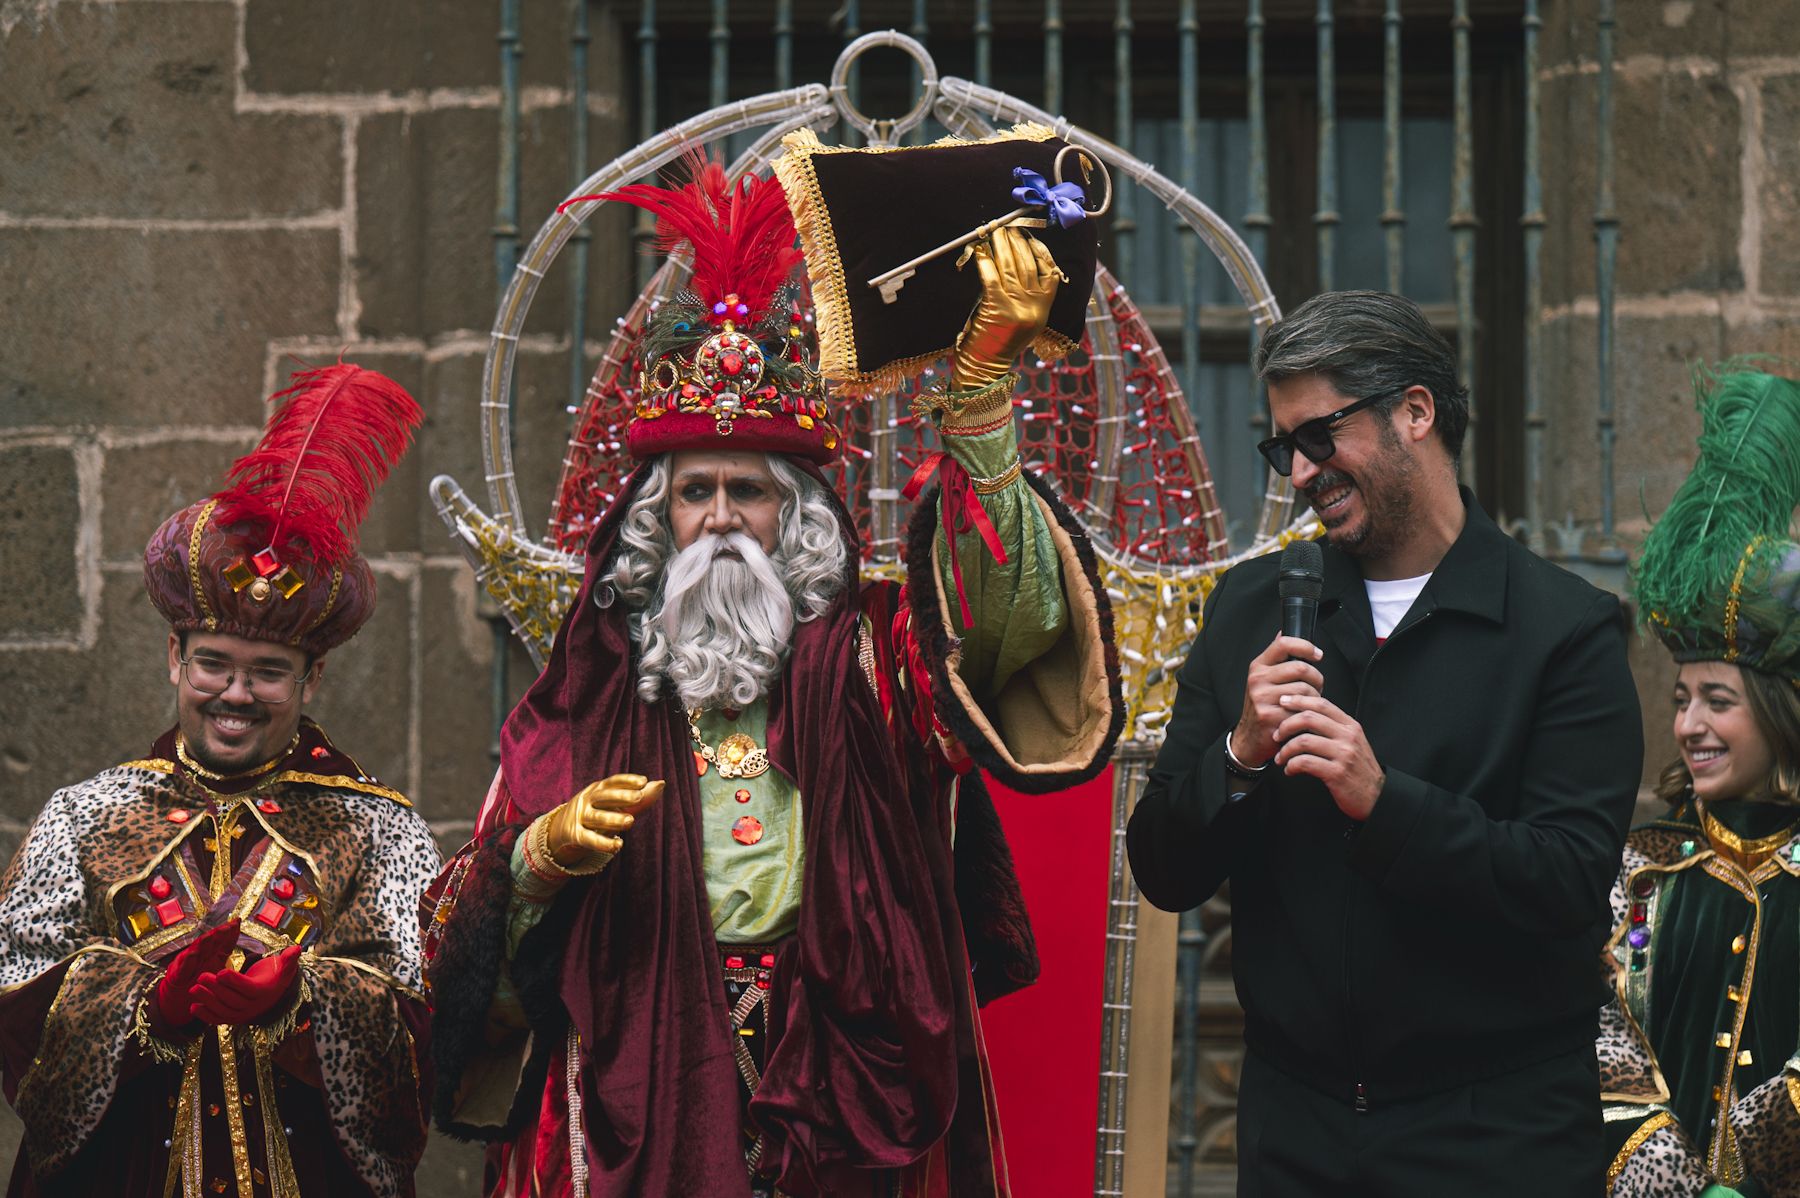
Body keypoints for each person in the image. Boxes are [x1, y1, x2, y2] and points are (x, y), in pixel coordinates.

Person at [420, 162, 1121, 1198]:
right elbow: (460, 951)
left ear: (792, 518)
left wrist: (978, 392)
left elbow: (1008, 626)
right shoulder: (590, 684)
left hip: (841, 1085)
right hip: (624, 1089)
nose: (718, 517)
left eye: (745, 489)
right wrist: (533, 861)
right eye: (692, 491)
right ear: (655, 528)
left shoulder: (876, 658)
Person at [1127, 290, 1643, 1196]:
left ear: (1415, 412)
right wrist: (1241, 754)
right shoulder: (1251, 609)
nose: (1298, 473)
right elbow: (1163, 868)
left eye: (1320, 437)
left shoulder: (1564, 632)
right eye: (1283, 447)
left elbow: (1567, 888)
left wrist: (1384, 801)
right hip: (1294, 1131)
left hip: (1496, 1137)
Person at [0, 364, 442, 1197]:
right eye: (214, 664)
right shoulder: (85, 817)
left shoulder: (381, 831)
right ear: (175, 658)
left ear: (312, 679)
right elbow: (15, 1013)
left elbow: (427, 1041)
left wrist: (306, 1003)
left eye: (269, 671)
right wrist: (146, 1012)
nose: (235, 694)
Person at [1599, 364, 1800, 1198]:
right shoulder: (1643, 873)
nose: (1688, 726)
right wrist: (1669, 1180)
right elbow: (1601, 1036)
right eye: (1683, 700)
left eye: (1718, 701)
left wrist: (1752, 1170)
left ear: (1780, 713)